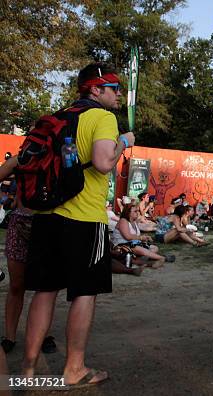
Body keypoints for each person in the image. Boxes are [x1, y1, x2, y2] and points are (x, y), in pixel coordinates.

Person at [22, 62, 135, 386]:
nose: (118, 95)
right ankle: (74, 370)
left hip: (46, 216)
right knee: (85, 292)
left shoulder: (60, 117)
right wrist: (124, 141)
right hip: (83, 219)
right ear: (95, 89)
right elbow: (102, 163)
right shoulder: (101, 117)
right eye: (114, 88)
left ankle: (28, 370)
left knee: (45, 291)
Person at [0, 158, 57, 355]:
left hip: (47, 224)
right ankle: (9, 336)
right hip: (20, 223)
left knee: (45, 287)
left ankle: (44, 334)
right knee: (17, 285)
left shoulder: (58, 156)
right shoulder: (21, 158)